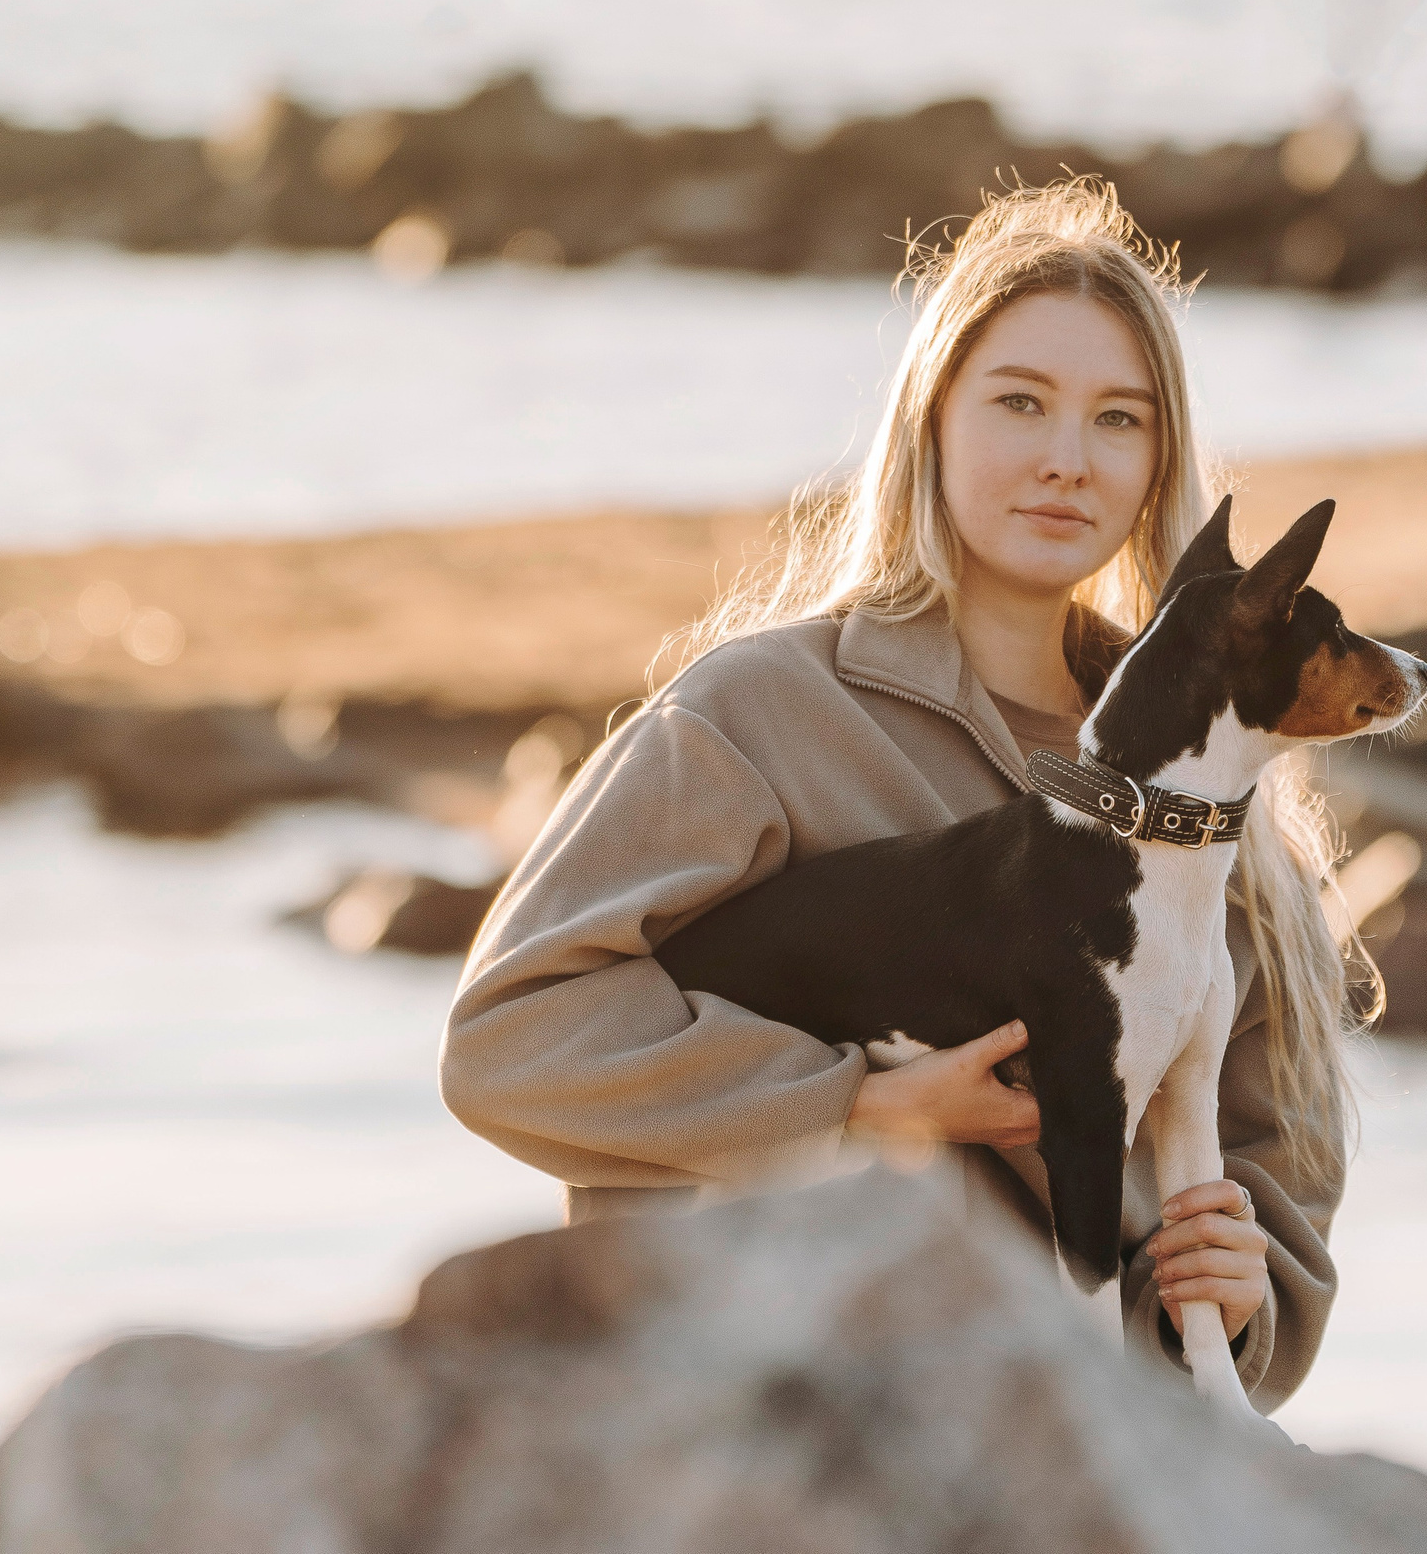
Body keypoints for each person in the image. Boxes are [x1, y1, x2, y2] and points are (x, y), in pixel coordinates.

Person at [439, 177, 1368, 1413]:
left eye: (1118, 420)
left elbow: (1277, 1149)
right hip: (780, 1439)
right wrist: (858, 1105)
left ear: (1158, 464)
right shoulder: (763, 712)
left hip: (1080, 1456)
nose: (1063, 459)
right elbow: (513, 1037)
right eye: (1019, 402)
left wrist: (1245, 1285)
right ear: (931, 421)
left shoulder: (1216, 787)